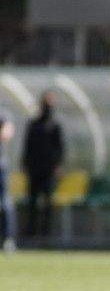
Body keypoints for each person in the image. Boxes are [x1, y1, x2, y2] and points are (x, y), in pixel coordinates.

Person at [23, 91, 62, 243]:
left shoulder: (55, 125)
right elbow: (28, 146)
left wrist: (57, 165)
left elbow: (60, 148)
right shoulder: (34, 124)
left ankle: (47, 233)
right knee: (32, 201)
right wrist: (26, 163)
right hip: (34, 169)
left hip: (49, 170)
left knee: (48, 202)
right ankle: (31, 231)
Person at [0, 108, 14, 253]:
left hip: (1, 167)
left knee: (4, 202)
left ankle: (7, 239)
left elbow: (7, 133)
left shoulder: (2, 115)